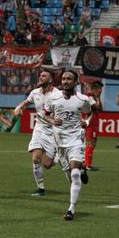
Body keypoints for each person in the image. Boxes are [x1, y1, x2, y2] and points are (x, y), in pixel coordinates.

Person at [44, 70, 93, 221]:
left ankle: (71, 209)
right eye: (64, 78)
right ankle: (82, 169)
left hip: (76, 138)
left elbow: (90, 113)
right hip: (60, 142)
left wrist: (87, 122)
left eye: (69, 79)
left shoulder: (82, 99)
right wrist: (52, 121)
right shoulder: (53, 98)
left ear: (76, 82)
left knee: (75, 173)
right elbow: (45, 114)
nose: (65, 81)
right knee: (70, 176)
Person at [14, 69, 62, 196]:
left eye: (44, 76)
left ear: (50, 80)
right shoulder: (35, 93)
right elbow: (26, 103)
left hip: (53, 131)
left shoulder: (57, 95)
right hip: (39, 128)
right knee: (36, 159)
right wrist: (19, 108)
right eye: (40, 75)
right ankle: (41, 189)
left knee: (47, 165)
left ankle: (57, 155)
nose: (40, 77)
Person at [84, 80, 103, 171]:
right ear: (95, 89)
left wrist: (98, 98)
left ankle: (86, 163)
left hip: (94, 123)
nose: (100, 91)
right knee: (90, 143)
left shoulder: (94, 97)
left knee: (92, 143)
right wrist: (98, 98)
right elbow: (97, 107)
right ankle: (87, 165)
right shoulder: (89, 96)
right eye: (99, 90)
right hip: (91, 123)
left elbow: (101, 109)